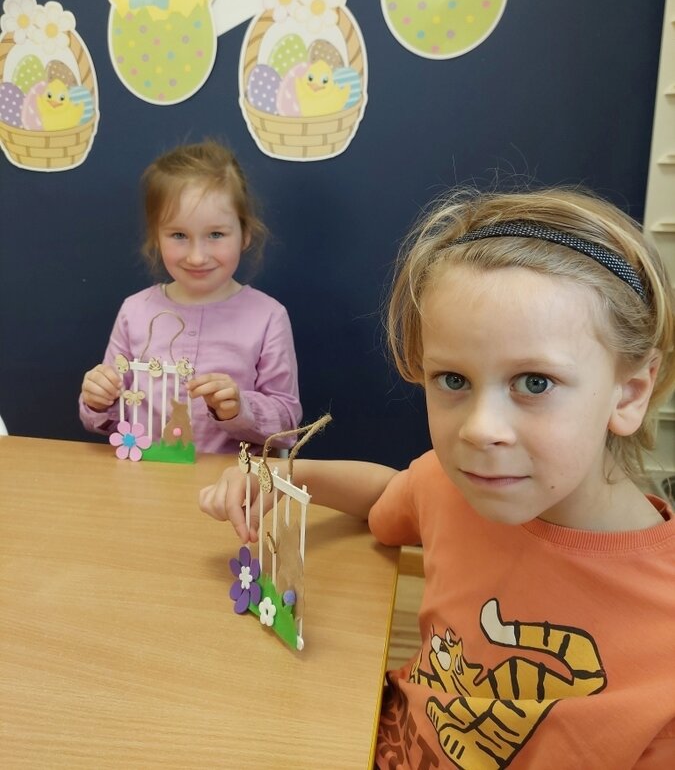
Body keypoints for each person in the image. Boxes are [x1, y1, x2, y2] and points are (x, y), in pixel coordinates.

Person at [199, 186, 675, 768]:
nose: (480, 429)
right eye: (453, 380)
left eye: (535, 383)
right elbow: (388, 496)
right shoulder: (454, 489)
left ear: (629, 393)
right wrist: (280, 475)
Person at [80, 140, 302, 453]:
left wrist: (239, 408)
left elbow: (287, 426)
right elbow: (109, 418)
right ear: (157, 238)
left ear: (245, 234)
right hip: (146, 476)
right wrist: (98, 400)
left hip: (233, 480)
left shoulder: (268, 317)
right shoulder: (135, 311)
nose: (197, 257)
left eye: (216, 234)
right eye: (179, 235)